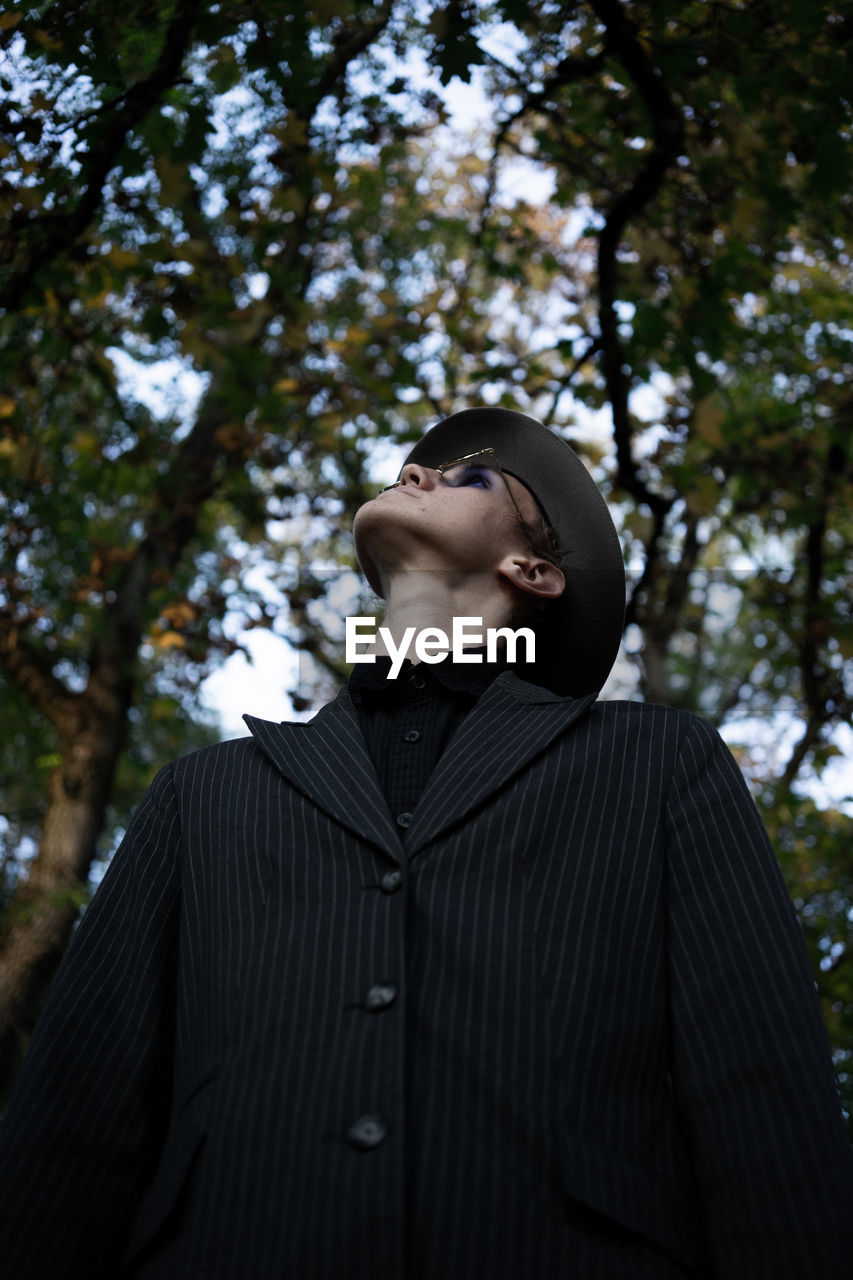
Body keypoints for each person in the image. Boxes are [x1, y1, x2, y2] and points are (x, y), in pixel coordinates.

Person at [0, 406, 851, 1279]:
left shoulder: (660, 764)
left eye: (469, 476)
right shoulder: (201, 792)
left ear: (533, 570)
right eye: (414, 470)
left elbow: (765, 1112)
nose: (412, 472)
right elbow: (70, 1128)